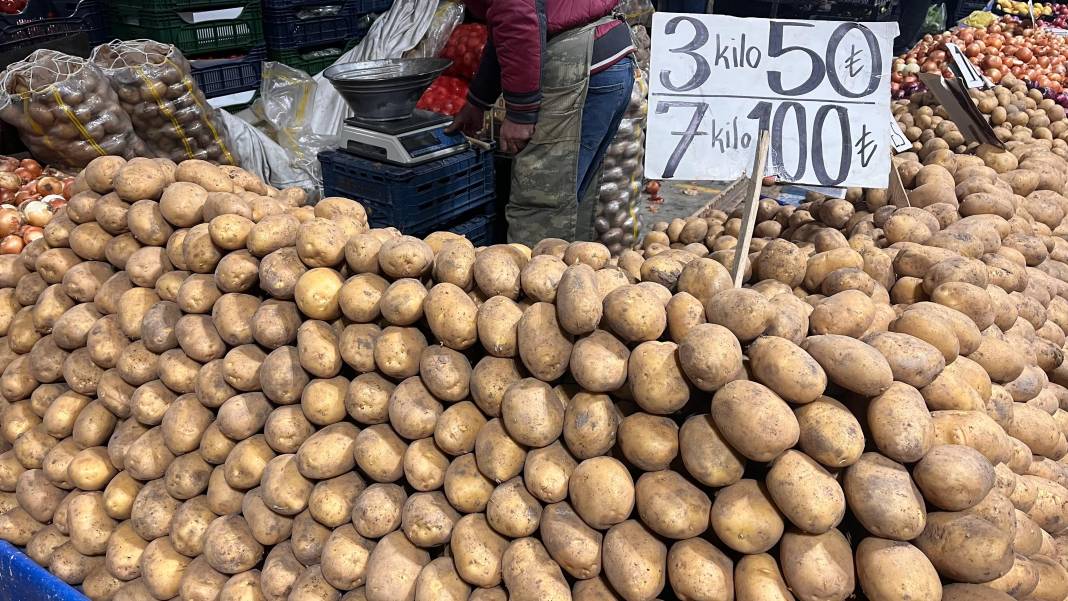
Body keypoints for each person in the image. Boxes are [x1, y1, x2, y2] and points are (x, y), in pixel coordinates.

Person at [447, 1, 637, 246]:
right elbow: (507, 22)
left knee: (540, 208)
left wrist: (520, 112)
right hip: (608, 55)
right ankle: (571, 276)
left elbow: (517, 16)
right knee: (568, 201)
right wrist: (479, 100)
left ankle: (539, 281)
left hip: (577, 60)